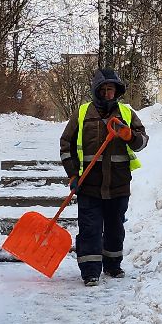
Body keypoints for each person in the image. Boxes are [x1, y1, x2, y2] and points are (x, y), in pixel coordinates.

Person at [58, 69, 149, 286]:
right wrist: (72, 175)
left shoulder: (126, 114)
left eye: (112, 90)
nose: (108, 93)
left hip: (118, 184)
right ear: (97, 91)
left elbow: (143, 141)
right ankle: (90, 271)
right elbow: (66, 145)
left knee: (115, 227)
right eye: (104, 89)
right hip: (89, 185)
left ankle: (112, 265)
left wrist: (130, 136)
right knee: (90, 228)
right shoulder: (82, 113)